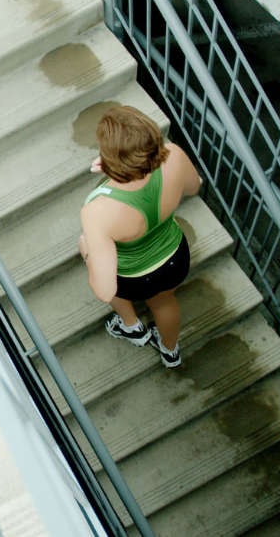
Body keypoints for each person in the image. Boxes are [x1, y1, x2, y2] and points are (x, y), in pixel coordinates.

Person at [77, 106, 202, 367]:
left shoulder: (98, 211)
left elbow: (104, 289)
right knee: (165, 301)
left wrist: (88, 253)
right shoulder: (175, 156)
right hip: (175, 257)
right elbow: (194, 187)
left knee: (85, 245)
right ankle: (170, 352)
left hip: (135, 278)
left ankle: (131, 326)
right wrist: (118, 172)